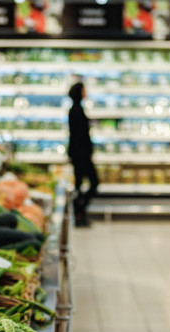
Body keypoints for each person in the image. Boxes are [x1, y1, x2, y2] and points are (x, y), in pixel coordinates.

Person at [68, 81, 99, 227]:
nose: (86, 92)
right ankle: (78, 210)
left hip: (78, 154)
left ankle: (79, 211)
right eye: (84, 89)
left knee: (80, 184)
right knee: (93, 182)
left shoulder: (76, 109)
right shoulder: (76, 110)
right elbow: (79, 135)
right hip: (81, 155)